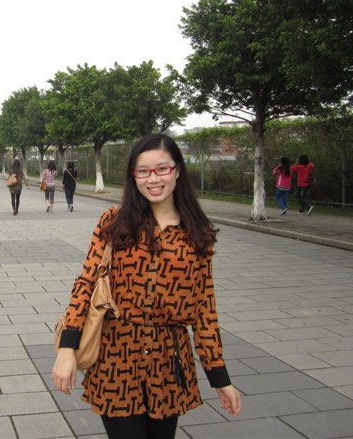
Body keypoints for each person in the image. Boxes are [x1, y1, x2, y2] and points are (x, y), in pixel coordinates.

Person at [51, 133, 241, 439]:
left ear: (177, 170)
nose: (153, 179)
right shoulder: (114, 222)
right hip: (117, 358)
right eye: (143, 171)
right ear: (133, 176)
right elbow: (86, 283)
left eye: (162, 169)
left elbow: (204, 309)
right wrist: (66, 348)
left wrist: (220, 379)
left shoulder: (197, 233)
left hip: (169, 362)